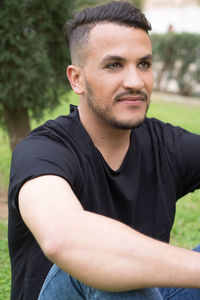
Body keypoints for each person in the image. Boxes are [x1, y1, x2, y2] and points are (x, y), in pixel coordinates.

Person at [8, 1, 200, 299]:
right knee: (107, 266)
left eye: (144, 64)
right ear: (77, 79)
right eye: (114, 65)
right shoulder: (43, 149)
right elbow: (65, 238)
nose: (135, 81)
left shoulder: (166, 144)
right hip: (77, 289)